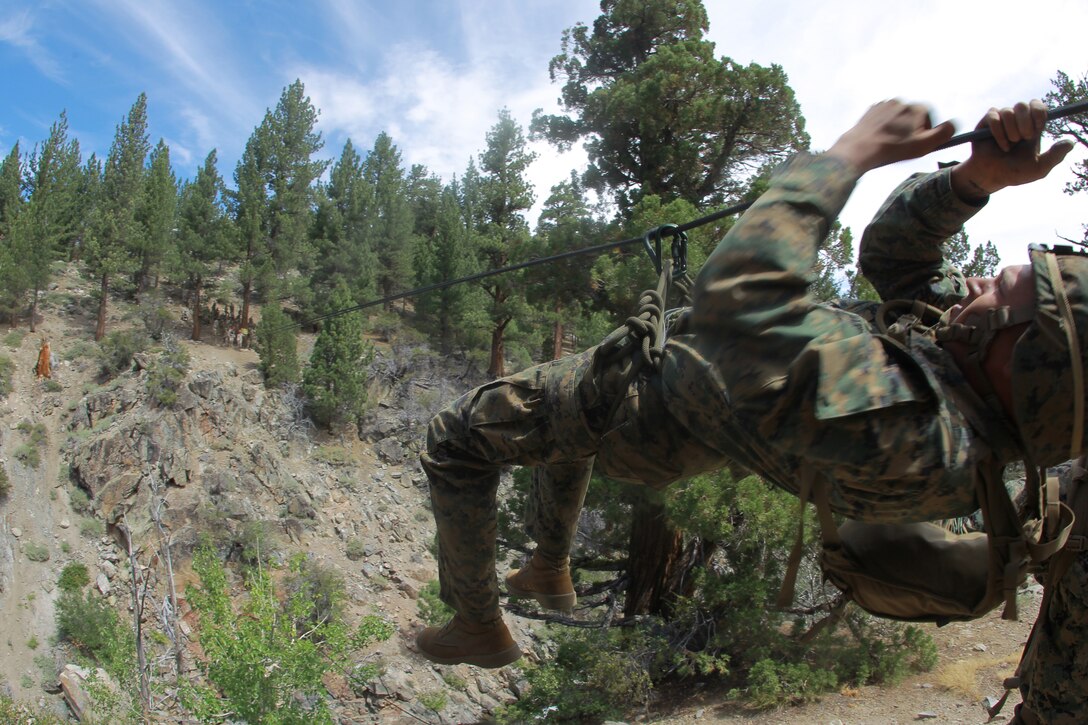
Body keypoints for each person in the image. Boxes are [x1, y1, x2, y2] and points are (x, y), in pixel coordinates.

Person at [417, 98, 1082, 719]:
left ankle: (478, 623)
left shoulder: (922, 434)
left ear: (1026, 358)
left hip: (652, 410)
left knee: (456, 436)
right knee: (559, 425)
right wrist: (971, 182)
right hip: (679, 400)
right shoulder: (966, 371)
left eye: (1004, 284)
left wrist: (848, 154)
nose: (979, 276)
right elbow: (893, 253)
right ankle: (549, 567)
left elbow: (739, 303)